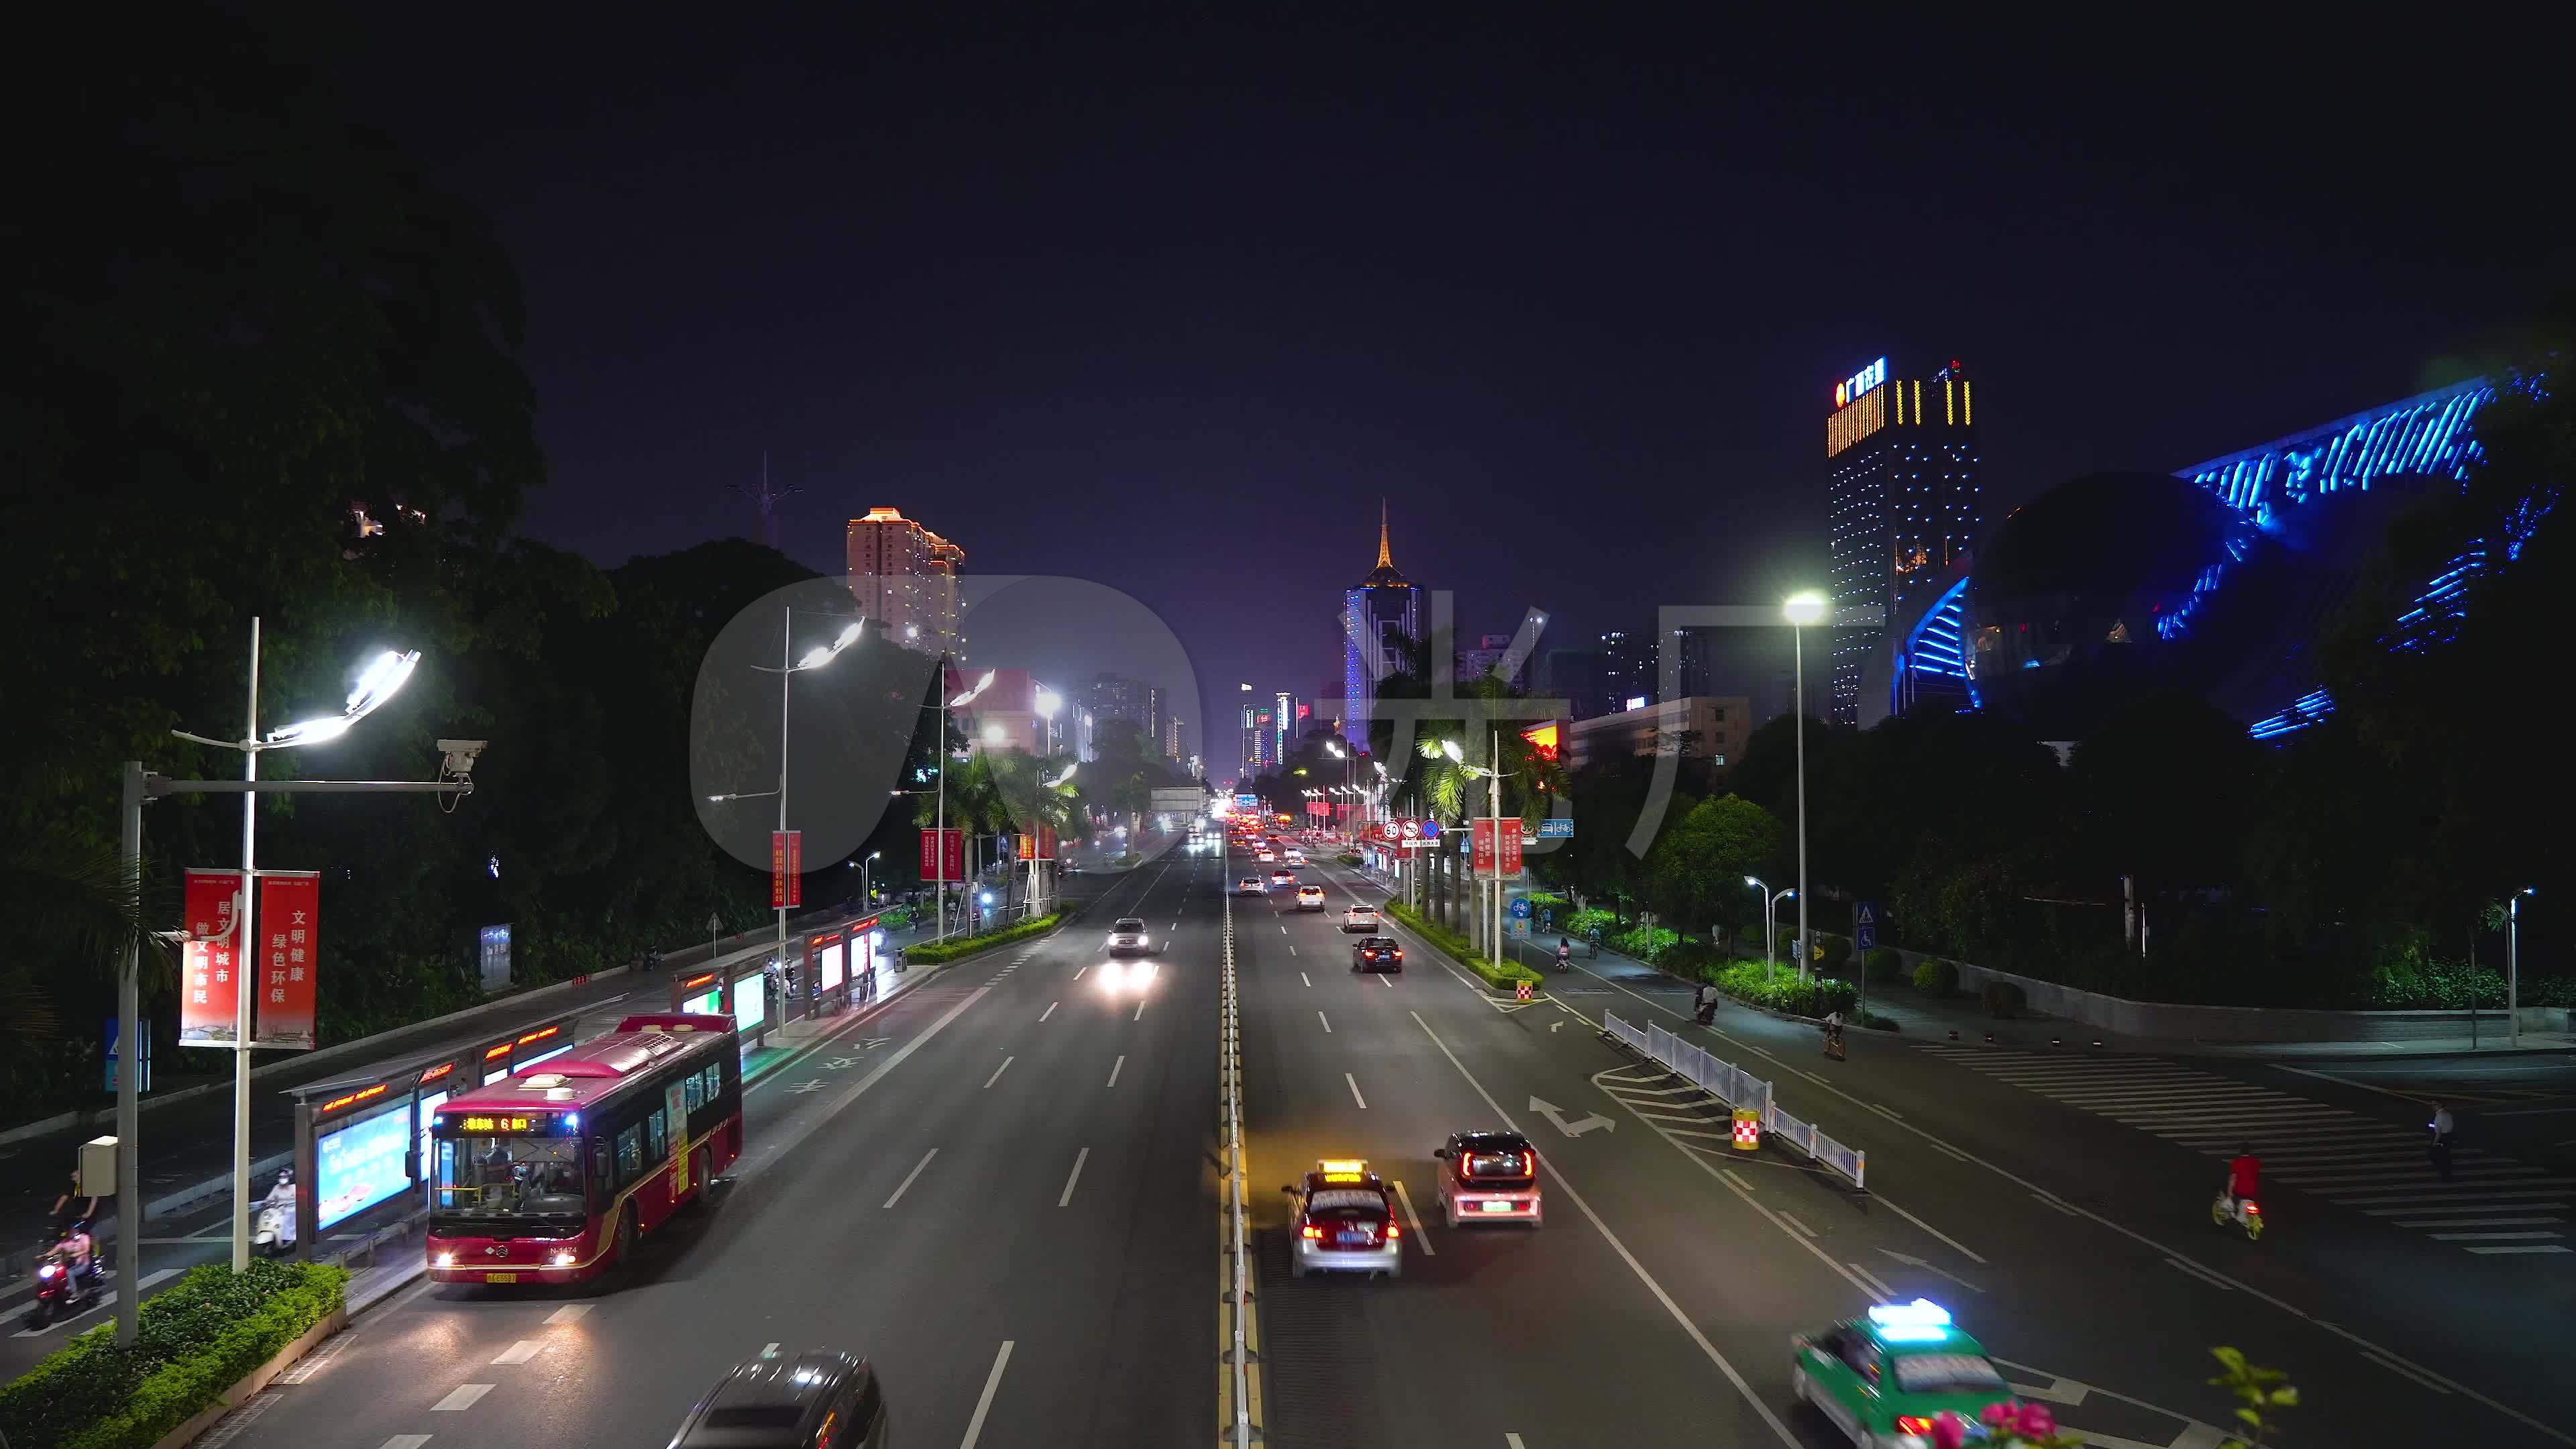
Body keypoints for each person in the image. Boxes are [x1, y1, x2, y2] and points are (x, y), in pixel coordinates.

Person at [50, 1169, 98, 1237]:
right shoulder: (73, 1186)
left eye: (76, 1175)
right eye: (73, 1177)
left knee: (87, 1230)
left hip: (92, 1210)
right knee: (69, 1227)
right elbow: (64, 1198)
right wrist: (56, 1210)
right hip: (79, 1211)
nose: (74, 1178)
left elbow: (94, 1199)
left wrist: (88, 1213)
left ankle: (91, 1243)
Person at [261, 1169, 299, 1250]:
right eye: (280, 1177)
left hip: (291, 1210)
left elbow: (298, 1199)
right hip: (279, 1210)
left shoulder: (293, 1188)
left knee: (287, 1219)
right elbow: (270, 1198)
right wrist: (266, 1202)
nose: (282, 1178)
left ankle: (288, 1238)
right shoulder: (276, 1188)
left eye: (284, 1177)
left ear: (289, 1178)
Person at [2225, 1142, 2261, 1216]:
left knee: (2232, 1209)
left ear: (2240, 1151)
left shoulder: (2237, 1162)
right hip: (2252, 1193)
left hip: (2239, 1192)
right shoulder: (2256, 1163)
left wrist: (2229, 1192)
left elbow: (2233, 1178)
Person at [2429, 1102, 2455, 1181]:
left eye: (2434, 1104)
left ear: (2440, 1105)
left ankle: (2445, 1175)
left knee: (2434, 1156)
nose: (2432, 1106)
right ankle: (2448, 1175)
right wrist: (2432, 1126)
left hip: (2442, 1138)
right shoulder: (2448, 1114)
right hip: (2449, 1137)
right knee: (2446, 1156)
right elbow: (2448, 1126)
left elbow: (2439, 1132)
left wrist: (2434, 1144)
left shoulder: (2439, 1116)